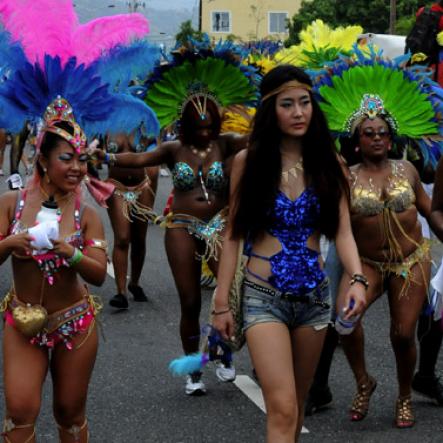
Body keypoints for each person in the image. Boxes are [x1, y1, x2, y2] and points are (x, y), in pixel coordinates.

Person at [212, 65, 367, 442]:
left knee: (295, 408)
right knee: (281, 407)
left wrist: (357, 279)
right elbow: (233, 234)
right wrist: (220, 304)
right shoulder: (248, 162)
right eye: (287, 104)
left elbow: (343, 231)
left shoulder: (330, 163)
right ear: (270, 110)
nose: (299, 112)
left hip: (315, 299)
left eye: (304, 102)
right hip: (264, 297)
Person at [105, 133, 159, 309]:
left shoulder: (145, 125)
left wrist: (152, 190)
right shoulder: (106, 124)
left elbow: (155, 158)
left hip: (142, 187)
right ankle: (121, 293)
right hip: (116, 186)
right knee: (122, 238)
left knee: (139, 239)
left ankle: (134, 283)